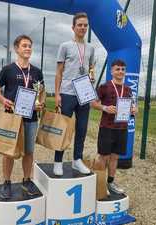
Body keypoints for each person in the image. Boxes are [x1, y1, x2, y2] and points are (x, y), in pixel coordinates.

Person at [0, 35, 45, 199]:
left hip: (31, 118)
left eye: (30, 46)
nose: (28, 48)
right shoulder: (8, 69)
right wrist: (3, 99)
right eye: (24, 46)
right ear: (16, 49)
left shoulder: (36, 71)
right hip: (12, 118)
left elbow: (42, 91)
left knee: (29, 152)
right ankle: (6, 183)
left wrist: (41, 103)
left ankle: (26, 180)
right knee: (9, 152)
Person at [53, 12, 95, 176]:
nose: (83, 28)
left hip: (83, 94)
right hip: (68, 92)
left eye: (85, 25)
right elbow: (58, 72)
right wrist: (57, 94)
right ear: (73, 27)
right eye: (80, 25)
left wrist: (91, 85)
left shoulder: (91, 48)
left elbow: (91, 70)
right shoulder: (65, 46)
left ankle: (77, 160)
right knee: (63, 128)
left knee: (82, 128)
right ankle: (58, 161)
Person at [91, 59, 137, 194]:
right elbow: (93, 103)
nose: (120, 71)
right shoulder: (104, 87)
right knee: (103, 157)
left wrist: (135, 110)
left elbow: (134, 105)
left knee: (115, 157)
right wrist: (104, 107)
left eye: (123, 69)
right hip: (107, 128)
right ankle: (99, 183)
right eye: (117, 69)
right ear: (112, 71)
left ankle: (110, 183)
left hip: (122, 128)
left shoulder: (128, 89)